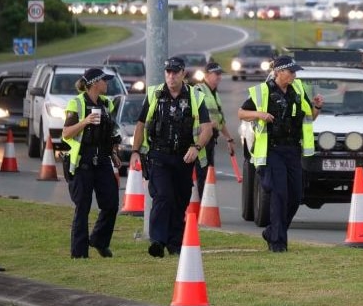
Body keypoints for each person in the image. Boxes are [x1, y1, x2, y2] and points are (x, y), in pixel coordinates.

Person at [238, 55, 323, 253]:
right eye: (291, 71)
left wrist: (317, 106)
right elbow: (242, 112)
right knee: (279, 195)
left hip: (293, 150)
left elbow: (310, 117)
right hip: (273, 150)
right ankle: (278, 243)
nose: (294, 75)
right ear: (278, 72)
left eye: (295, 72)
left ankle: (272, 231)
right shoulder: (263, 91)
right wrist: (260, 115)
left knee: (295, 196)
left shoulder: (298, 90)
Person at [131, 56, 212, 258]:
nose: (171, 76)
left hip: (184, 157)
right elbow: (141, 124)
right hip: (159, 155)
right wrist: (135, 151)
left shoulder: (195, 96)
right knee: (163, 196)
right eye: (168, 72)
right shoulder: (155, 94)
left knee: (180, 200)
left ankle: (175, 243)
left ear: (183, 73)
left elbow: (207, 128)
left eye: (175, 72)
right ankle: (157, 241)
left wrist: (196, 146)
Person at [62, 68, 122, 259]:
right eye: (105, 81)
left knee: (111, 203)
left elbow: (109, 133)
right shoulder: (77, 104)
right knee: (83, 207)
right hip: (83, 162)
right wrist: (85, 121)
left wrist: (113, 153)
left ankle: (99, 241)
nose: (107, 84)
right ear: (95, 83)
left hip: (102, 160)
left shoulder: (106, 104)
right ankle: (79, 254)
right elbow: (66, 134)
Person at [194, 61, 236, 198]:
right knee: (202, 173)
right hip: (201, 139)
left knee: (208, 172)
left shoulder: (214, 93)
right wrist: (206, 124)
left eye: (220, 74)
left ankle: (205, 204)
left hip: (211, 139)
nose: (219, 77)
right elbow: (191, 116)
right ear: (206, 75)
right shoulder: (198, 90)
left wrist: (229, 138)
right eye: (216, 74)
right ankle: (201, 204)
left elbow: (219, 120)